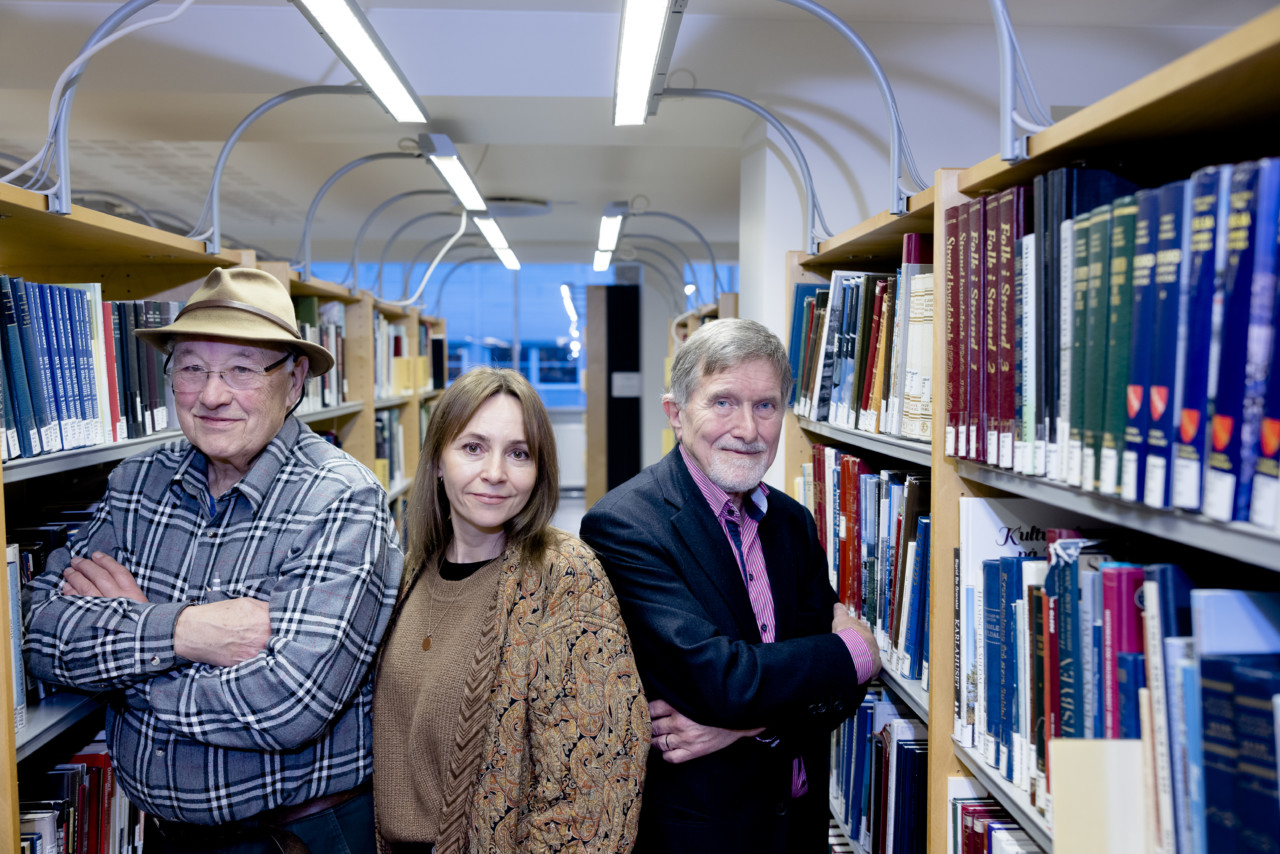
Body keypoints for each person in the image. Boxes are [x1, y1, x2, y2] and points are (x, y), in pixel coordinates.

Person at [23, 267, 404, 854]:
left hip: (295, 838)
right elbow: (40, 635)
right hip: (165, 837)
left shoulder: (341, 500)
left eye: (242, 370)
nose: (212, 394)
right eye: (191, 367)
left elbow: (288, 704)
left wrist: (127, 674)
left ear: (295, 378)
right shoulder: (135, 483)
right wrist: (185, 631)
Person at [579, 318, 882, 853]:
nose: (748, 428)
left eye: (766, 406)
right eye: (723, 402)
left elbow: (836, 695)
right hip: (706, 833)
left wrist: (743, 726)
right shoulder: (625, 524)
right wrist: (854, 650)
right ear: (676, 414)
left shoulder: (791, 521)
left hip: (798, 825)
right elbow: (723, 681)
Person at [373, 367, 650, 854]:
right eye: (473, 447)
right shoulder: (412, 571)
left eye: (518, 453)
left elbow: (599, 793)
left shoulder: (565, 575)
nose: (496, 473)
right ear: (438, 460)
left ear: (539, 470)